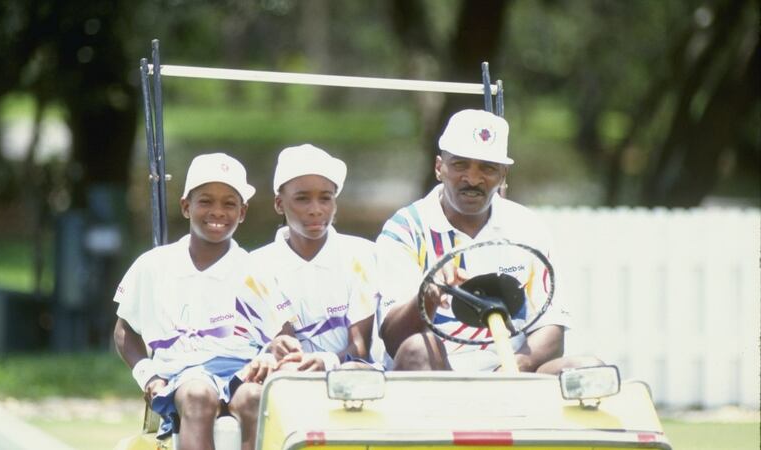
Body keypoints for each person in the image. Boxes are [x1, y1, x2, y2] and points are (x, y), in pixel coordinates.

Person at [376, 109, 600, 373]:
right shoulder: (405, 229)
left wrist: (515, 366)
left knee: (589, 368)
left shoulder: (527, 227)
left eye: (487, 168)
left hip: (510, 370)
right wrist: (427, 295)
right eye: (460, 164)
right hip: (436, 374)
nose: (472, 179)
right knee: (419, 348)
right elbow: (394, 340)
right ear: (439, 168)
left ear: (503, 175)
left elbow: (551, 328)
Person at [113, 153, 294, 450]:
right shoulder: (153, 265)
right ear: (186, 206)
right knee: (198, 395)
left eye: (229, 203)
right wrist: (148, 376)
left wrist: (270, 355)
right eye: (206, 201)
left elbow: (285, 332)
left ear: (243, 212)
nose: (218, 212)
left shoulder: (256, 270)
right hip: (182, 373)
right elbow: (124, 330)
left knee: (254, 399)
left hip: (241, 369)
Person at [252, 144, 379, 370]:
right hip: (291, 374)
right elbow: (285, 342)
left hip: (351, 373)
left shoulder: (362, 255)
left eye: (325, 198)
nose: (316, 209)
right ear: (279, 204)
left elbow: (360, 346)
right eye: (302, 199)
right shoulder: (257, 266)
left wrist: (327, 362)